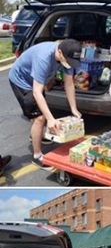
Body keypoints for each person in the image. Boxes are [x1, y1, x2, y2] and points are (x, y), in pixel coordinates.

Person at [8, 39, 82, 169]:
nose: (69, 64)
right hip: (22, 81)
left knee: (40, 112)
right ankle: (37, 156)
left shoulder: (67, 59)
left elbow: (69, 84)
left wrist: (74, 108)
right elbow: (37, 93)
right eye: (68, 61)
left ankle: (37, 136)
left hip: (37, 81)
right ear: (59, 52)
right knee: (40, 118)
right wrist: (50, 119)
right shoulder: (44, 57)